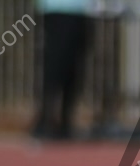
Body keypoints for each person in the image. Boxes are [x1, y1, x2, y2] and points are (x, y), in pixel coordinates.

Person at [32, 0, 94, 140]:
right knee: (56, 65)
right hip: (59, 9)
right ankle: (45, 120)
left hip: (82, 10)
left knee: (73, 70)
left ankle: (65, 122)